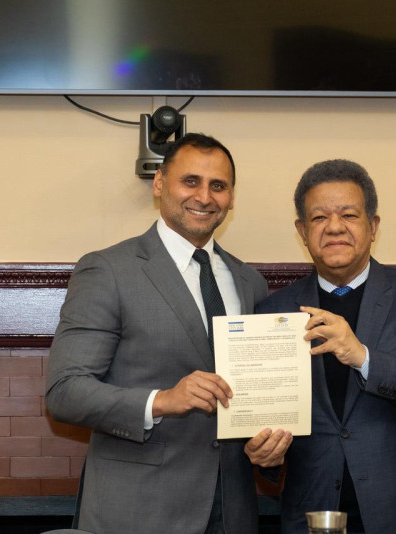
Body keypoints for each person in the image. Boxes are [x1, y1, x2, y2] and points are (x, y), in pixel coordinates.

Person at [45, 133, 292, 534]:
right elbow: (64, 393)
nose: (205, 197)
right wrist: (161, 401)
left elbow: (254, 396)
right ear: (160, 184)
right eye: (190, 181)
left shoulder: (249, 282)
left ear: (231, 197)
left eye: (219, 186)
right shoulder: (108, 270)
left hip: (232, 512)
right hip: (138, 511)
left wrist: (268, 448)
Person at [256, 159, 396, 533]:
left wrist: (362, 356)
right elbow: (268, 423)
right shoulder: (274, 311)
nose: (334, 227)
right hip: (312, 514)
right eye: (319, 218)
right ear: (302, 231)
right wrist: (263, 456)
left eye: (349, 215)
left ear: (373, 226)